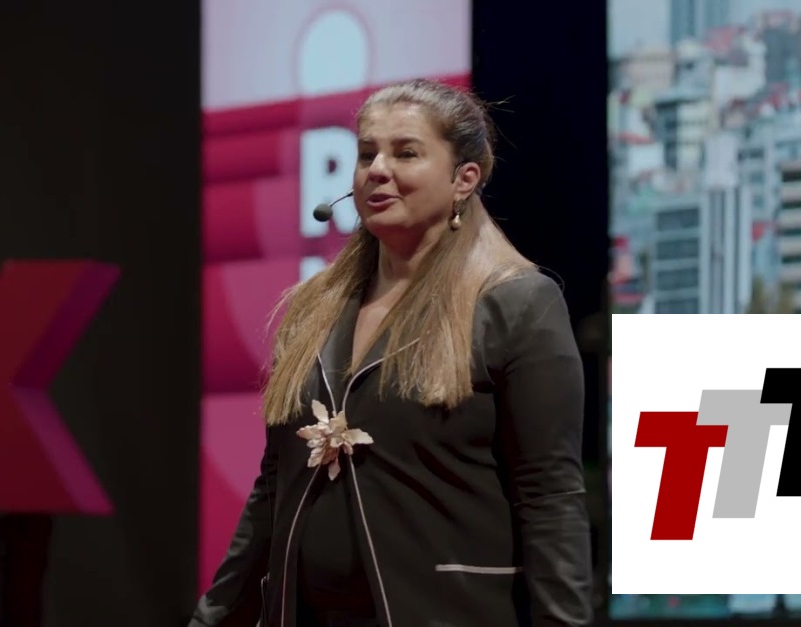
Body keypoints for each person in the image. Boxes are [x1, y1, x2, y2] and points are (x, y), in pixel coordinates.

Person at [189, 78, 592, 627]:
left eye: (405, 153)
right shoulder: (313, 308)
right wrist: (212, 618)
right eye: (366, 154)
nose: (377, 169)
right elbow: (273, 486)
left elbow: (550, 498)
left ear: (464, 178)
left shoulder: (516, 303)